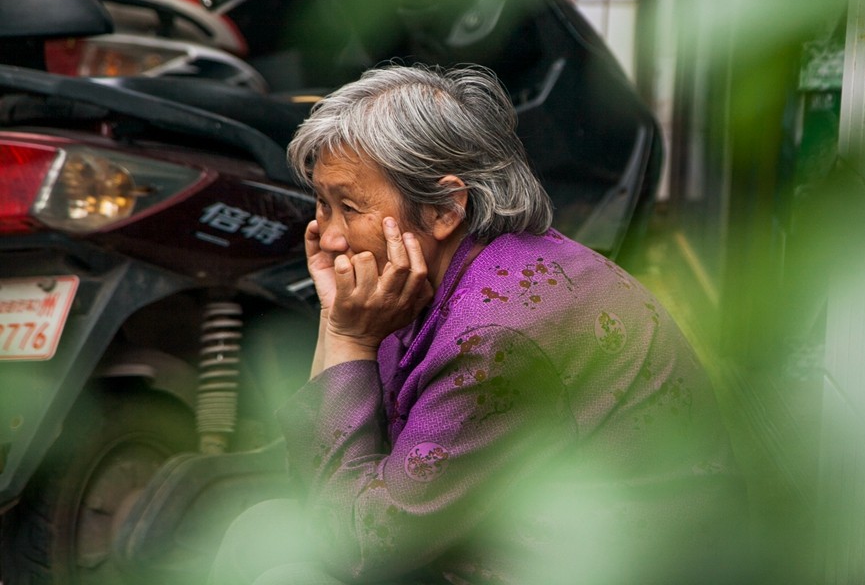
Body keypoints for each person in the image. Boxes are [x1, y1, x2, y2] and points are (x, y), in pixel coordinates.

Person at [209, 64, 747, 585]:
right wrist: (336, 319)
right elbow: (333, 491)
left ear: (445, 207)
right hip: (489, 542)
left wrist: (349, 338)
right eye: (322, 205)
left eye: (349, 207)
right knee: (256, 531)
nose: (327, 236)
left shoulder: (493, 334)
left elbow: (362, 547)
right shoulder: (442, 274)